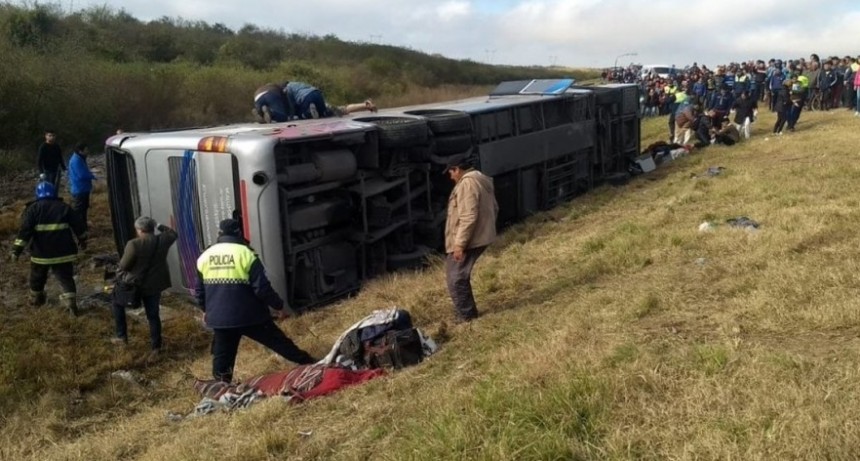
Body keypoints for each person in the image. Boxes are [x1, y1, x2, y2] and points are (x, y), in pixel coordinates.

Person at [195, 218, 317, 382]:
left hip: (220, 318)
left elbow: (199, 291)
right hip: (250, 316)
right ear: (239, 233)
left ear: (220, 234)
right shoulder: (247, 254)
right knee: (279, 342)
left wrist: (206, 310)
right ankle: (309, 363)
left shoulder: (205, 256)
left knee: (222, 358)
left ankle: (221, 388)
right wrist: (279, 306)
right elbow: (262, 288)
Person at [10, 180, 87, 315]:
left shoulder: (33, 209)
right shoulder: (64, 207)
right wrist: (83, 240)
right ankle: (70, 303)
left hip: (41, 254)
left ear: (38, 194)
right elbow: (79, 226)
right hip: (63, 253)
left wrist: (16, 251)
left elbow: (24, 233)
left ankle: (36, 300)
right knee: (65, 277)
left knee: (37, 277)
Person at [444, 157, 498, 323]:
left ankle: (466, 317)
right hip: (479, 234)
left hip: (470, 238)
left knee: (456, 278)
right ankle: (467, 313)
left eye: (450, 172)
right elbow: (495, 207)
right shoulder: (480, 178)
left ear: (457, 169)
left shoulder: (467, 184)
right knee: (458, 276)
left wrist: (459, 244)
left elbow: (468, 216)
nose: (450, 177)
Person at [111, 217, 177, 352]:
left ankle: (122, 337)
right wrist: (157, 223)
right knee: (153, 315)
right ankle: (156, 346)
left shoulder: (134, 244)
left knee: (117, 304)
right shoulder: (163, 240)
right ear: (152, 228)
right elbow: (173, 233)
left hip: (135, 285)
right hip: (155, 285)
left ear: (140, 230)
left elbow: (124, 265)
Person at [253, 81, 377, 123]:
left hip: (258, 98)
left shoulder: (287, 88)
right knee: (333, 111)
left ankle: (261, 113)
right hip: (314, 94)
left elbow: (290, 105)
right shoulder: (294, 87)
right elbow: (289, 105)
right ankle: (365, 104)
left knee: (288, 116)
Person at [67, 143, 97, 232]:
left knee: (83, 209)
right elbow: (81, 175)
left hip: (83, 188)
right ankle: (79, 229)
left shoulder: (80, 158)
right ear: (81, 151)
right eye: (86, 150)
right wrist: (92, 176)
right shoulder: (76, 160)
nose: (88, 151)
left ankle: (83, 227)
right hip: (80, 189)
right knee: (79, 211)